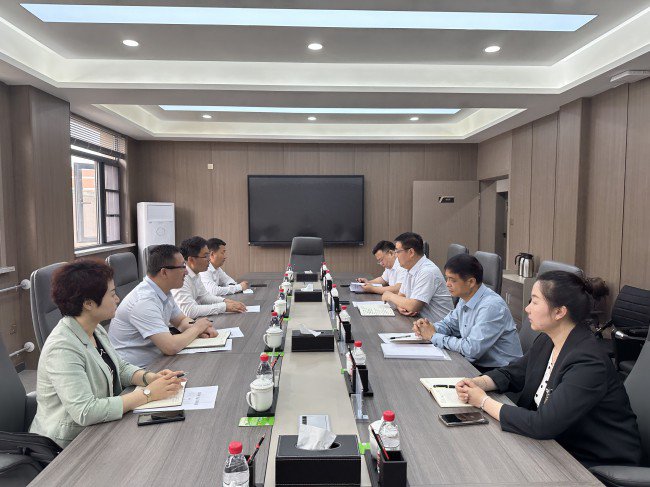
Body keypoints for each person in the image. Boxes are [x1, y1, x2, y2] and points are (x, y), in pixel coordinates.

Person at [455, 271, 642, 468]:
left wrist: (483, 401)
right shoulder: (548, 340)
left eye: (535, 302)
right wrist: (478, 383)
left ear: (559, 312)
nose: (527, 308)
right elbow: (513, 373)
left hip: (594, 462)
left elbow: (543, 424)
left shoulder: (588, 362)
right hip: (554, 446)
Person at [29, 259, 185, 448]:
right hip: (68, 445)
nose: (117, 299)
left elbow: (120, 367)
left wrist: (149, 378)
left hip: (100, 429)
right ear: (88, 303)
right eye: (112, 294)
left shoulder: (95, 328)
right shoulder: (62, 348)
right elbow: (85, 411)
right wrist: (149, 393)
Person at [109, 244, 218, 367]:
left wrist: (201, 330)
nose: (187, 271)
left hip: (158, 361)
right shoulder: (143, 301)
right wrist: (197, 328)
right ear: (164, 272)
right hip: (138, 370)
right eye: (182, 266)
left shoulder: (164, 291)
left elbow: (181, 321)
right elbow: (170, 346)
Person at [412, 254, 522, 371]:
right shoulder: (465, 298)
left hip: (501, 371)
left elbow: (471, 349)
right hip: (477, 363)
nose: (447, 284)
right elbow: (449, 325)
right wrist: (427, 328)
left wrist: (433, 336)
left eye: (453, 280)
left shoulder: (491, 306)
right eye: (447, 278)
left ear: (471, 282)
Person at [381, 232, 453, 322]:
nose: (396, 255)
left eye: (398, 252)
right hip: (420, 322)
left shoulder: (427, 271)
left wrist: (390, 296)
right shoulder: (409, 268)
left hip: (439, 326)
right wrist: (400, 306)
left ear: (411, 252)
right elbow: (401, 295)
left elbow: (413, 306)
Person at [172, 236, 247, 318]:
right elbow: (190, 311)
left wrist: (225, 301)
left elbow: (204, 297)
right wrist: (224, 307)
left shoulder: (196, 273)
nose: (209, 259)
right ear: (191, 260)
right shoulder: (180, 277)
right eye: (205, 256)